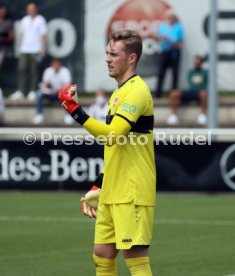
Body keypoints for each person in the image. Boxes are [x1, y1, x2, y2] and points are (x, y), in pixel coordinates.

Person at [58, 30, 156, 276]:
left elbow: (113, 135)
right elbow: (117, 149)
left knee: (135, 258)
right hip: (114, 190)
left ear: (131, 58)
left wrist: (76, 112)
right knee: (102, 256)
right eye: (107, 53)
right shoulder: (118, 93)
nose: (108, 59)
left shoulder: (137, 91)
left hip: (132, 191)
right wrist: (99, 185)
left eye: (114, 54)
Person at [10, 2, 47, 101]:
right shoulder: (24, 20)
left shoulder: (41, 19)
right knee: (21, 69)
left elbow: (43, 35)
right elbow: (22, 34)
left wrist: (42, 48)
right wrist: (20, 47)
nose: (30, 10)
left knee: (34, 71)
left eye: (32, 8)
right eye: (28, 9)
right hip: (24, 49)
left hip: (36, 49)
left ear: (36, 9)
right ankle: (21, 91)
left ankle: (33, 91)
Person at [167, 55, 208, 125]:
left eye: (198, 62)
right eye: (196, 62)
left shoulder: (205, 72)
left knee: (203, 93)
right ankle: (173, 115)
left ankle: (203, 114)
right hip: (191, 91)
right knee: (174, 93)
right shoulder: (191, 72)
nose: (197, 63)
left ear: (201, 63)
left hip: (199, 92)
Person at [32, 58, 73, 125]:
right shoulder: (48, 71)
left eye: (57, 64)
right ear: (52, 64)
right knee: (39, 94)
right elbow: (44, 85)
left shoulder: (65, 71)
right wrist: (47, 89)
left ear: (60, 64)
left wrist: (59, 90)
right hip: (51, 94)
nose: (56, 66)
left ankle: (68, 115)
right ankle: (39, 115)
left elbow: (67, 85)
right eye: (54, 64)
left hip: (61, 94)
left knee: (69, 95)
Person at [155, 10, 185, 98]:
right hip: (164, 52)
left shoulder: (179, 27)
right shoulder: (163, 27)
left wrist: (174, 44)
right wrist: (162, 38)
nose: (171, 18)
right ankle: (158, 93)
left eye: (172, 16)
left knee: (175, 74)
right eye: (169, 17)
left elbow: (182, 43)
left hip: (174, 53)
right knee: (160, 73)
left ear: (175, 18)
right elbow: (157, 38)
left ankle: (173, 94)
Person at [0, 4, 14, 89]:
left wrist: (3, 38)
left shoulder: (8, 22)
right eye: (1, 9)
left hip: (2, 48)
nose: (3, 11)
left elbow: (11, 36)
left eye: (4, 10)